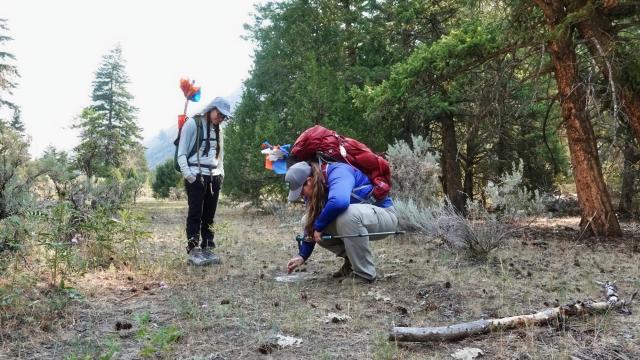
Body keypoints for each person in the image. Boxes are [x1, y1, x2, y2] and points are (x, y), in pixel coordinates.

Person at [285, 161, 398, 284]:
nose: (301, 196)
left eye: (301, 191)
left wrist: (319, 226)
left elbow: (340, 201)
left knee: (347, 215)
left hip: (385, 216)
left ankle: (364, 274)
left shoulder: (338, 172)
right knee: (307, 220)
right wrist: (302, 255)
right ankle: (352, 263)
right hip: (359, 218)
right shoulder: (315, 189)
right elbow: (311, 223)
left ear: (309, 180)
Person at [176, 97, 231, 265]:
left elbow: (219, 156)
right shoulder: (193, 124)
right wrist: (190, 176)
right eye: (219, 114)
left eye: (223, 116)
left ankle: (207, 247)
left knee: (209, 215)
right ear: (211, 108)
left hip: (214, 177)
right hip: (196, 175)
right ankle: (193, 248)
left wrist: (220, 174)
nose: (220, 118)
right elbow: (182, 153)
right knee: (195, 214)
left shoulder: (219, 130)